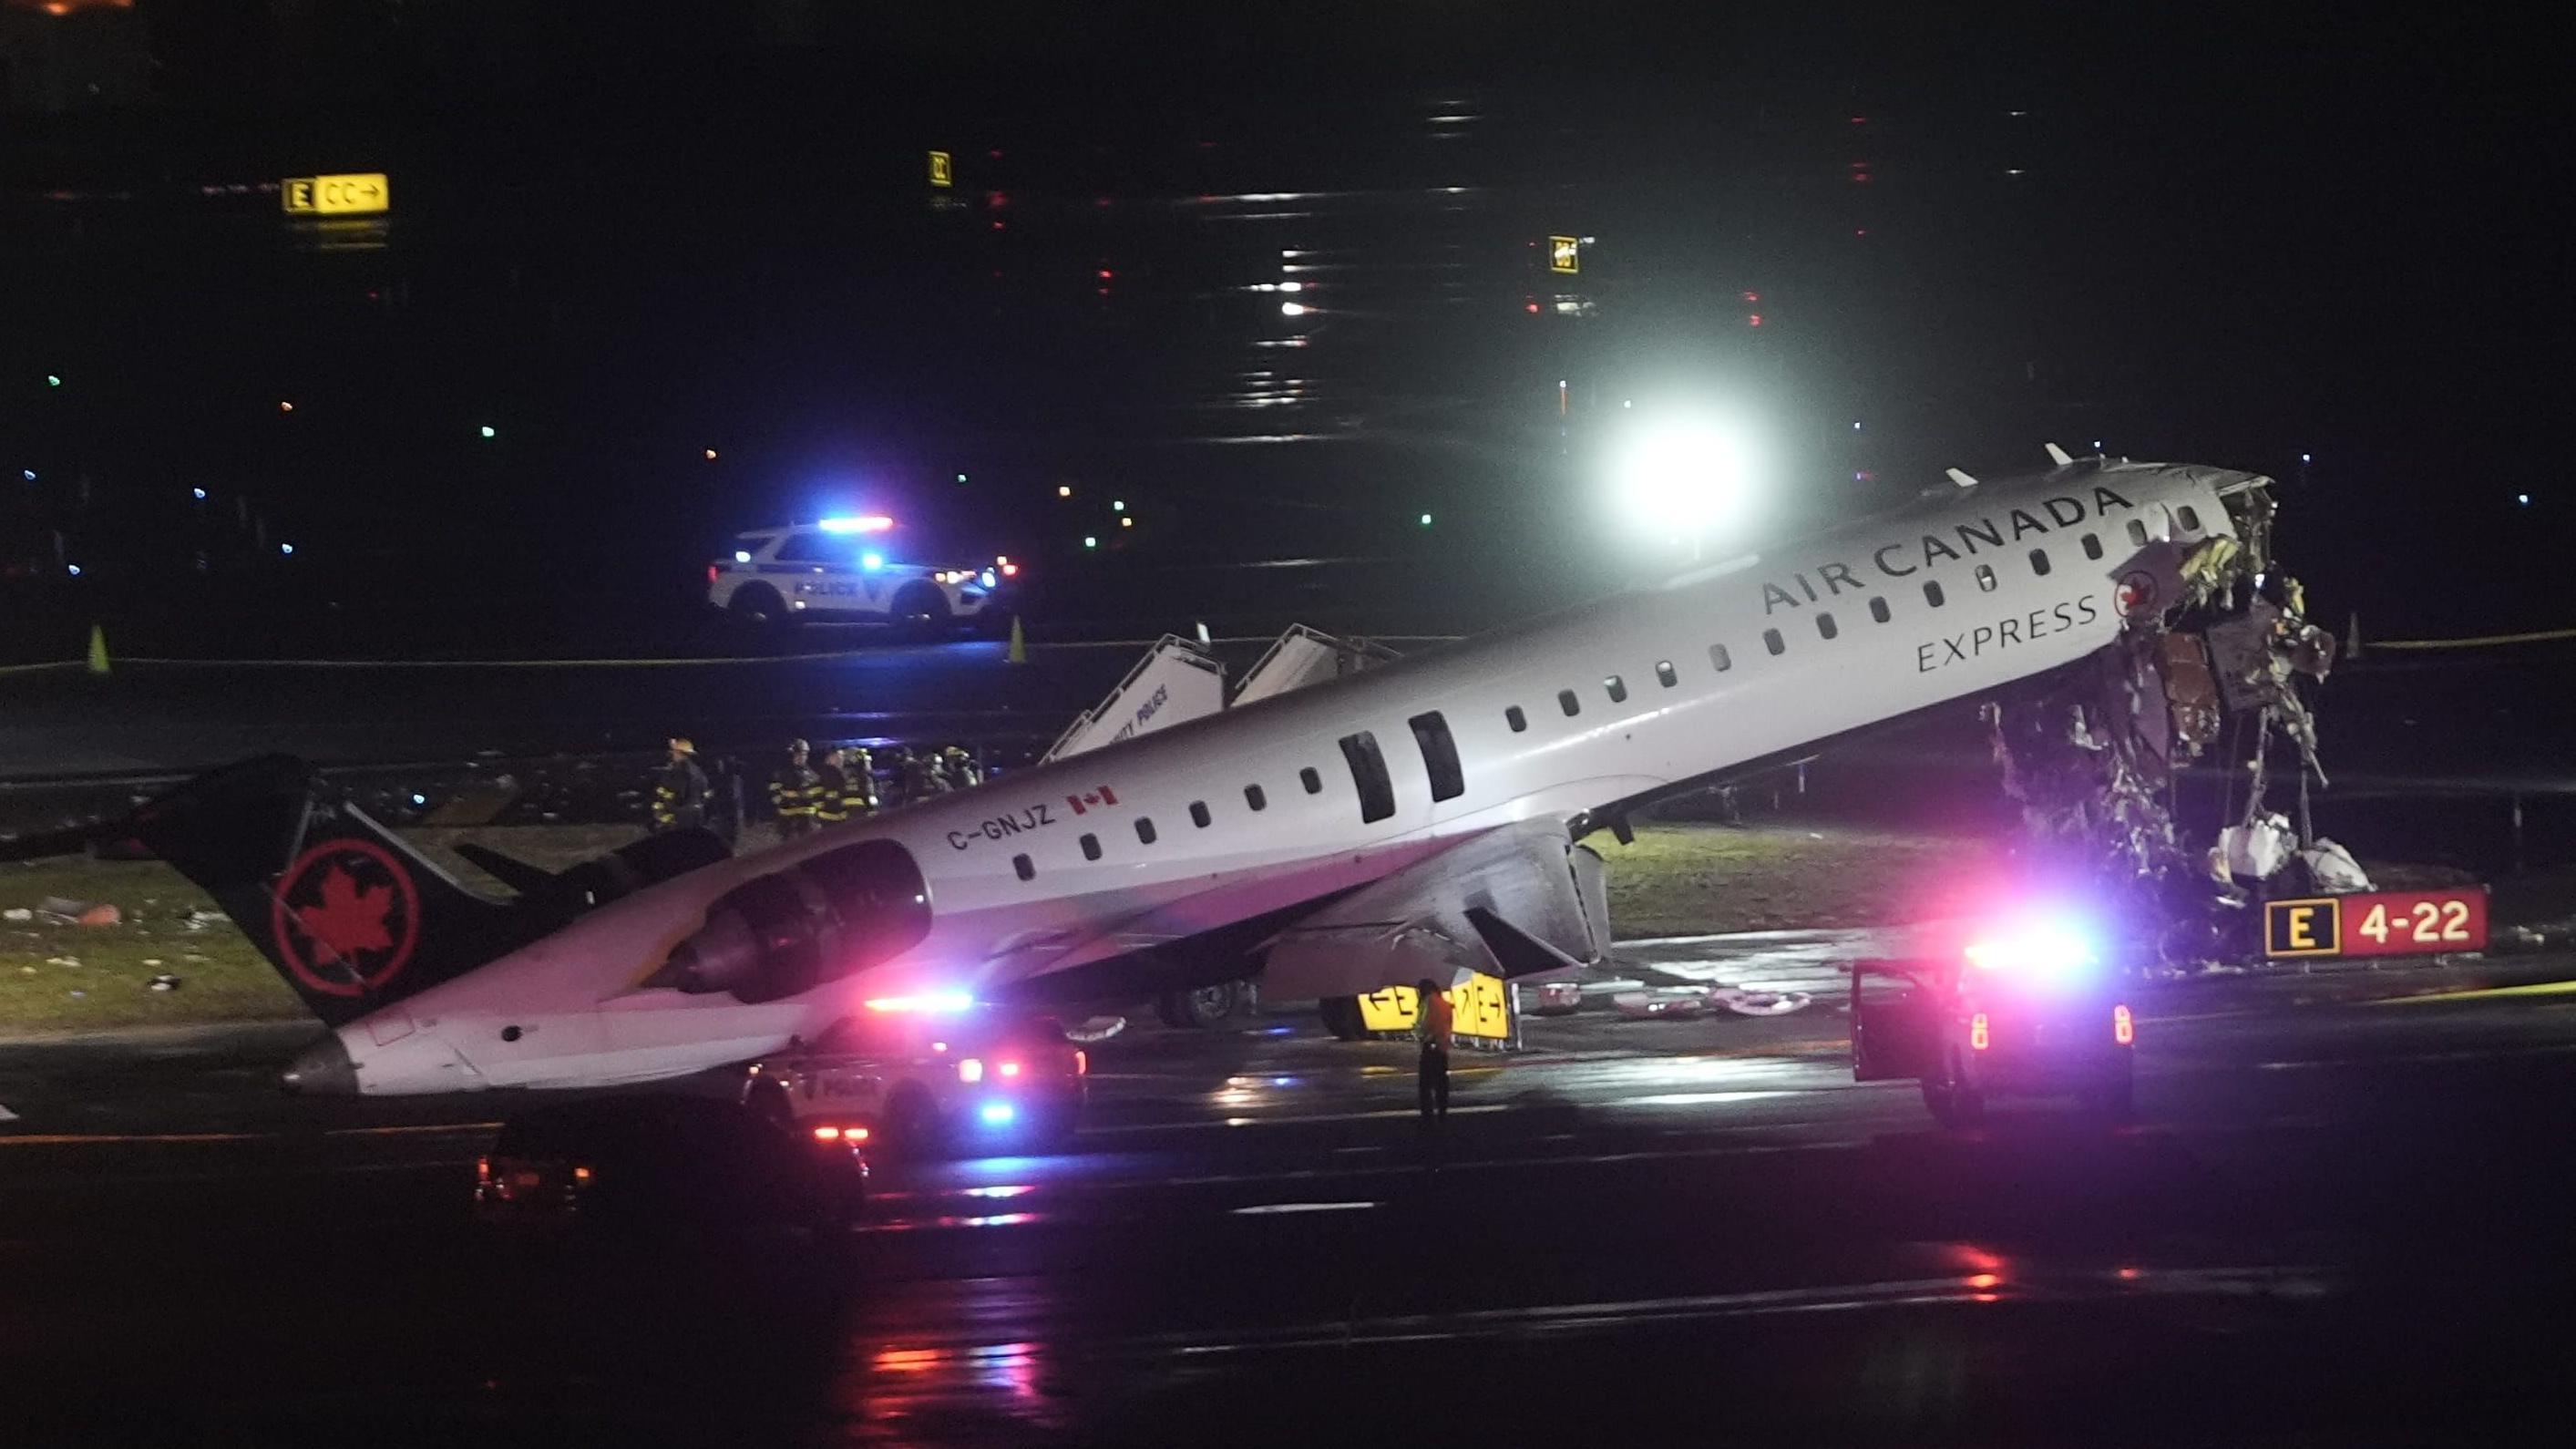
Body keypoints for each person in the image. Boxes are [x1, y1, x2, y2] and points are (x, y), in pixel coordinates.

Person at [1412, 976, 1453, 1123]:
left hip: (1429, 1046)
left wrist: (1416, 1031)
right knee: (1441, 1083)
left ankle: (1427, 1116)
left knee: (1425, 1085)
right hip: (1442, 1048)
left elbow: (1422, 1026)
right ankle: (1442, 1112)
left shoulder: (1427, 1002)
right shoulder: (1445, 1004)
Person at [650, 737, 710, 834]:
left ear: (679, 753)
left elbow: (679, 796)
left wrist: (663, 814)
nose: (672, 755)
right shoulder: (698, 771)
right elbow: (705, 794)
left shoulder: (677, 772)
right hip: (697, 816)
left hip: (679, 818)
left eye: (674, 752)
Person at [769, 739, 821, 841]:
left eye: (803, 754)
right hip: (787, 820)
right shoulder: (781, 773)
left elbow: (818, 795)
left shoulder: (812, 775)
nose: (800, 757)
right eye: (797, 754)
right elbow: (773, 790)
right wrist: (781, 801)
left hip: (807, 821)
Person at [813, 746, 853, 827]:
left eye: (842, 756)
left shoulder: (839, 773)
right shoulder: (825, 773)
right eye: (837, 756)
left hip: (838, 817)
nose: (840, 759)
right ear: (829, 758)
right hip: (828, 818)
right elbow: (817, 794)